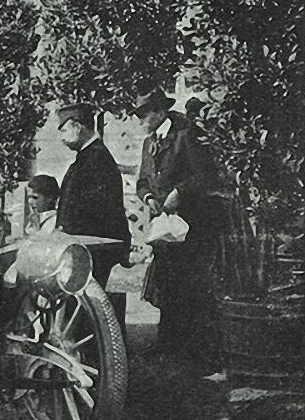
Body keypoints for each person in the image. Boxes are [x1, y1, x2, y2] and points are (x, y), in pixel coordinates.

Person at [132, 88, 224, 363]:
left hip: (192, 226)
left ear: (160, 112)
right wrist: (148, 197)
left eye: (143, 114)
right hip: (164, 228)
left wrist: (179, 193)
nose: (140, 120)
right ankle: (168, 344)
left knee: (193, 288)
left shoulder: (186, 135)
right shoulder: (150, 143)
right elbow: (142, 182)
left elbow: (207, 178)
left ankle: (199, 353)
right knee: (167, 285)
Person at [55, 102, 131, 288]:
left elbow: (94, 209)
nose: (61, 139)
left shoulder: (96, 159)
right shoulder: (89, 157)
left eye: (63, 131)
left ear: (77, 126)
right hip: (86, 247)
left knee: (85, 308)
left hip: (93, 249)